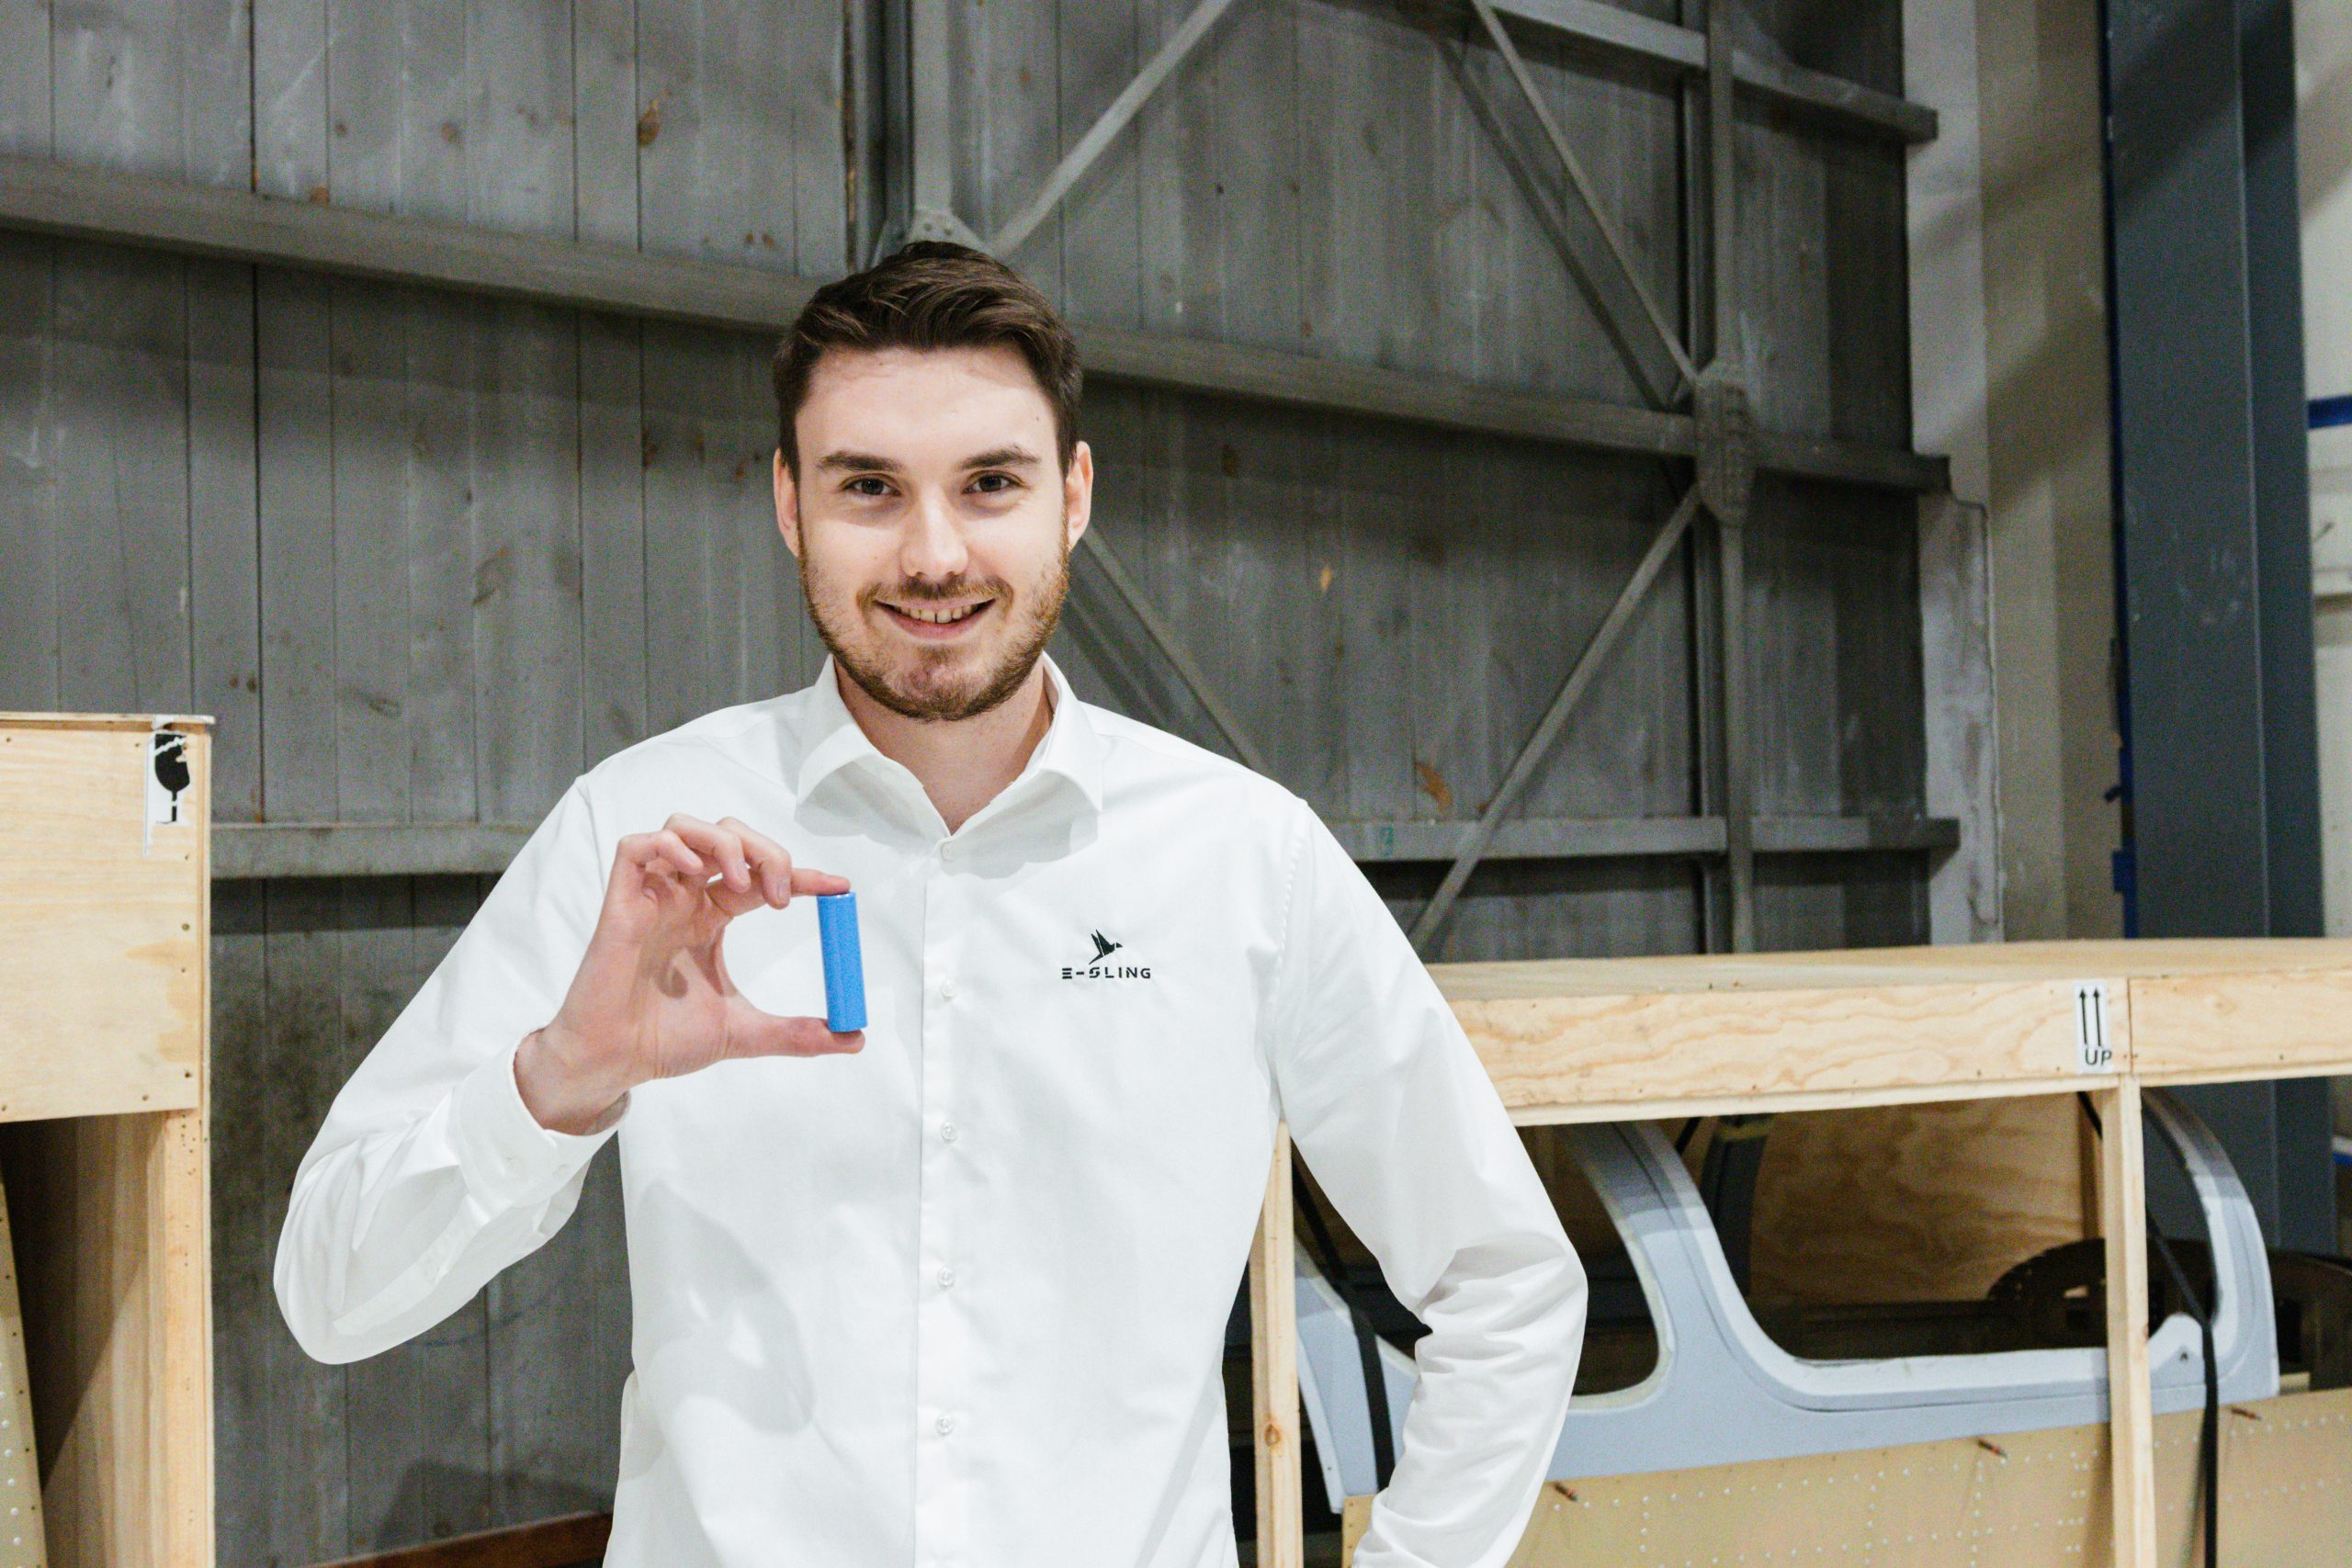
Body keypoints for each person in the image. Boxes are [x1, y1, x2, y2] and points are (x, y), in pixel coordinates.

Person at [275, 240, 1587, 1566]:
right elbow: (331, 1293)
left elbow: (1507, 1284)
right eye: (868, 489)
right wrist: (559, 1079)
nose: (934, 551)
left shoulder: (1244, 859)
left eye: (990, 483)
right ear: (789, 504)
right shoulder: (642, 838)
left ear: (1073, 494)